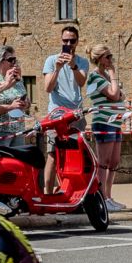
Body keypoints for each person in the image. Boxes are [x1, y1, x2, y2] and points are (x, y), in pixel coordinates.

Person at [41, 25, 88, 193]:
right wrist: (57, 68)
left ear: (77, 42)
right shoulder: (51, 60)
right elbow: (48, 88)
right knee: (53, 154)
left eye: (72, 41)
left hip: (75, 115)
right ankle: (48, 193)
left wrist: (73, 66)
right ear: (61, 41)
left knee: (76, 155)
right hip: (57, 115)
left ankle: (72, 190)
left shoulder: (82, 62)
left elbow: (81, 82)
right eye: (65, 40)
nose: (68, 44)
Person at [86, 44, 125, 212]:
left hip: (115, 122)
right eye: (108, 57)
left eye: (111, 56)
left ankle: (109, 196)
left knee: (114, 161)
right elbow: (115, 95)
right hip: (103, 122)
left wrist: (115, 91)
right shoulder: (95, 77)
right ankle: (101, 197)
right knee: (104, 162)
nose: (111, 60)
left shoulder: (106, 77)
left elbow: (121, 95)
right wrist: (113, 74)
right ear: (99, 59)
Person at [0, 46, 30, 147]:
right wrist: (11, 107)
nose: (14, 63)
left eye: (15, 59)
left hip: (18, 130)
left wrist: (26, 104)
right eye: (11, 59)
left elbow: (27, 100)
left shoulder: (16, 78)